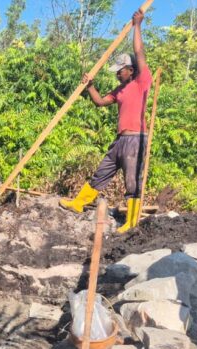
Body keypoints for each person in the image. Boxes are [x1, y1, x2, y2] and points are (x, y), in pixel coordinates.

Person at [59, 9, 152, 233]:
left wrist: (137, 26)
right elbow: (100, 102)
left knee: (132, 180)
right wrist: (90, 86)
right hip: (121, 140)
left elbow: (139, 52)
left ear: (130, 70)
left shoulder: (141, 82)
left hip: (136, 139)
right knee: (103, 171)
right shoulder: (119, 90)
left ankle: (131, 220)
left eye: (120, 71)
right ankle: (79, 202)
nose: (117, 74)